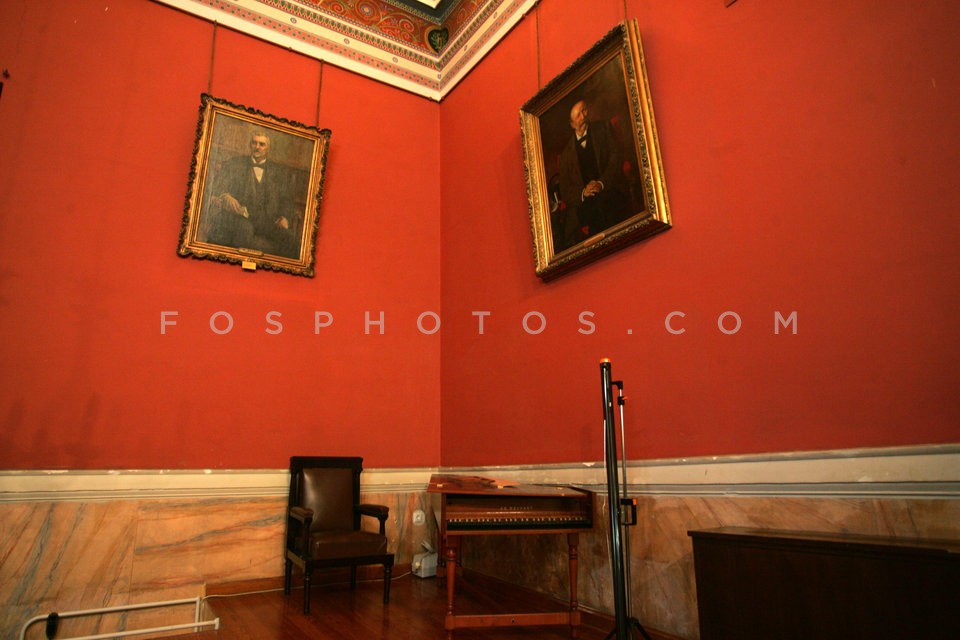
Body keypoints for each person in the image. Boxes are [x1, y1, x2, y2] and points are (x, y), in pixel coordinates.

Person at [202, 130, 300, 258]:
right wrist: (225, 195)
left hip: (267, 221)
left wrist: (284, 217)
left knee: (291, 240)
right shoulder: (235, 163)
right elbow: (217, 186)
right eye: (254, 143)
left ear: (268, 148)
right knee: (245, 231)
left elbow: (286, 199)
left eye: (262, 144)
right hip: (240, 217)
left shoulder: (278, 171)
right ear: (250, 145)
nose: (257, 147)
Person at [556, 99, 631, 251]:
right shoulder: (566, 155)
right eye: (578, 115)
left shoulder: (603, 128)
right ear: (572, 124)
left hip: (609, 189)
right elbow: (565, 189)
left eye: (584, 110)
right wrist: (583, 192)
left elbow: (616, 157)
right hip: (584, 204)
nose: (583, 116)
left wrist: (601, 183)